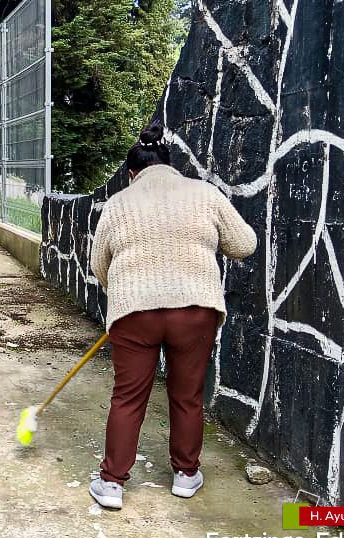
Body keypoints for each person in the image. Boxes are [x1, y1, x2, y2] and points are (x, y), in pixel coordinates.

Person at [87, 122, 257, 510]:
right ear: (171, 166)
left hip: (134, 313)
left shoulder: (118, 204)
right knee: (187, 395)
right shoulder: (204, 194)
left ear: (132, 174)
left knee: (128, 397)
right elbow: (245, 244)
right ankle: (185, 474)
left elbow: (100, 266)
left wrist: (128, 296)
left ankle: (112, 483)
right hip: (196, 310)